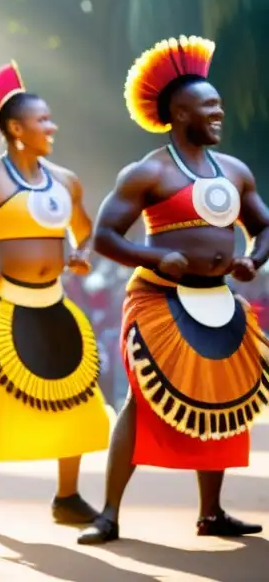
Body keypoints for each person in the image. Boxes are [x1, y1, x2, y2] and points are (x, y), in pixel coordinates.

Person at [77, 36, 269, 544]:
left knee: (223, 398)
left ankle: (212, 513)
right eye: (209, 107)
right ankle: (109, 513)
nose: (220, 114)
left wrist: (252, 258)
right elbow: (104, 237)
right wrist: (155, 256)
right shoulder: (149, 171)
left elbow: (265, 227)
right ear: (181, 114)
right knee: (141, 400)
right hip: (158, 299)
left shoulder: (235, 172)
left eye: (219, 105)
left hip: (219, 298)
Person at [0, 62, 109, 532]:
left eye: (50, 119)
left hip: (54, 304)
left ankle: (68, 498)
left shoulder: (66, 181)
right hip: (1, 306)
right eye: (43, 120)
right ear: (16, 129)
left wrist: (81, 254)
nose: (52, 127)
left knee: (76, 398)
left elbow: (87, 233)